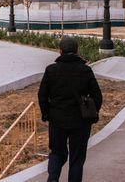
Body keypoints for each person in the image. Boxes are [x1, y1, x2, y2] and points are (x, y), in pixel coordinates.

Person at [38, 37, 103, 182]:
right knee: (77, 159)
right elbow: (97, 96)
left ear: (60, 51)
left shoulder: (51, 70)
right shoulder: (85, 70)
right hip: (80, 122)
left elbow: (42, 95)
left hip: (57, 120)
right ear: (77, 51)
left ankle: (53, 179)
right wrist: (91, 113)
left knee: (56, 153)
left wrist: (46, 113)